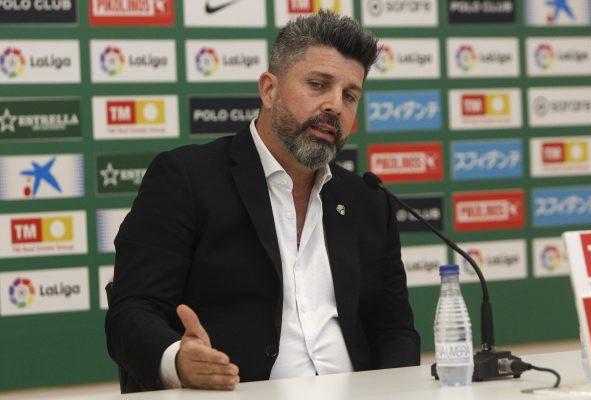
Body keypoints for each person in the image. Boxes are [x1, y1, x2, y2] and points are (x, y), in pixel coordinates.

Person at [105, 10, 420, 393]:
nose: (335, 105)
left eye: (350, 95)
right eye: (318, 85)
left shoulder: (368, 201)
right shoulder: (187, 179)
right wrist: (178, 361)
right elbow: (131, 312)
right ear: (269, 90)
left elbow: (395, 332)